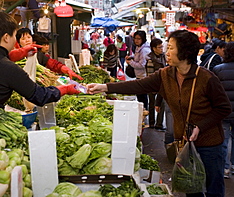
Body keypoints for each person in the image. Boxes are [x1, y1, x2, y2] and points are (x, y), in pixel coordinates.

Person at [87, 30, 231, 197]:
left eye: (170, 48)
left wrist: (200, 126)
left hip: (209, 144)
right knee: (191, 186)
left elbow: (224, 108)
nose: (166, 52)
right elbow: (139, 85)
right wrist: (105, 87)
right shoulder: (165, 74)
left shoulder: (207, 78)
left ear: (184, 52)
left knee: (213, 187)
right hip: (184, 142)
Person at [0, 12, 80, 117]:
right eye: (14, 36)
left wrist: (19, 53)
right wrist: (65, 89)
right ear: (6, 37)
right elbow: (40, 96)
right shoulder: (10, 69)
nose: (15, 41)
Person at [12, 28, 82, 80]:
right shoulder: (16, 57)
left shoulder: (38, 54)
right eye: (23, 39)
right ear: (19, 42)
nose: (27, 40)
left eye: (29, 37)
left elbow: (53, 64)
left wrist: (66, 70)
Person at [213, 41, 234, 179]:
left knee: (224, 139)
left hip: (224, 111)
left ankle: (225, 167)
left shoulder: (218, 69)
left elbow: (213, 92)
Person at [125, 30, 150, 110]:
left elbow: (142, 65)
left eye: (139, 39)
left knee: (142, 98)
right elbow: (138, 58)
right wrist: (132, 57)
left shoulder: (144, 50)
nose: (136, 40)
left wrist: (130, 62)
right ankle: (142, 113)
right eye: (135, 38)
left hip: (143, 76)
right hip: (139, 75)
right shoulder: (139, 47)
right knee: (140, 96)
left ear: (143, 39)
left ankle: (144, 113)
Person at [146, 38, 167, 130]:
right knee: (152, 103)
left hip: (162, 84)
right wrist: (153, 87)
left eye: (162, 47)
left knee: (162, 104)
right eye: (159, 47)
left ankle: (159, 123)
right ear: (154, 48)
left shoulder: (163, 56)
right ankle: (151, 123)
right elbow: (150, 75)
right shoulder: (150, 60)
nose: (161, 49)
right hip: (153, 85)